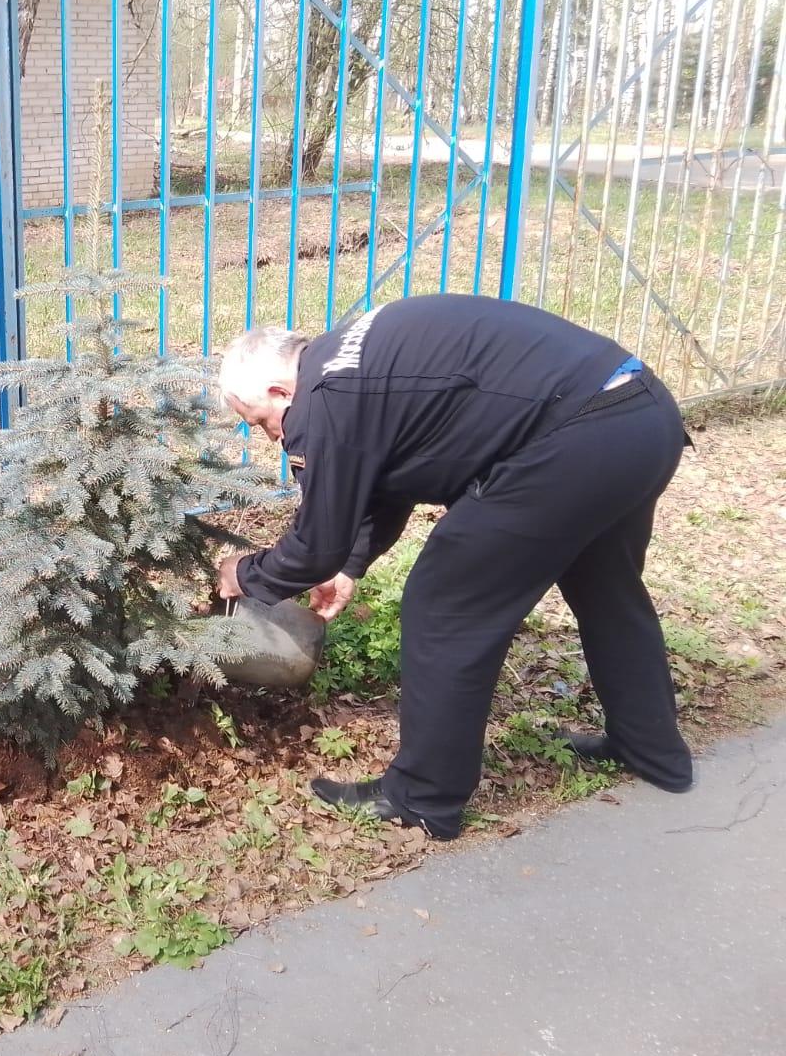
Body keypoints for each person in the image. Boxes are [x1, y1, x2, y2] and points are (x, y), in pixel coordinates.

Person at [215, 293, 694, 841]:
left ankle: (422, 797)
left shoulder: (324, 398)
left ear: (280, 390)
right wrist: (348, 566)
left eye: (261, 421)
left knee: (445, 607)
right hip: (638, 417)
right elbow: (390, 477)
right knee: (607, 591)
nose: (270, 437)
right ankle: (651, 749)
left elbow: (313, 544)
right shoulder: (350, 363)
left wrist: (244, 574)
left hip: (573, 439)